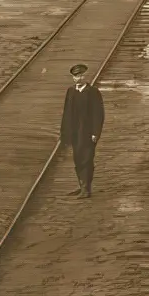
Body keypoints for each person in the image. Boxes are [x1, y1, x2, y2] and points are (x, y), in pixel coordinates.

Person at [59, 63, 105, 199]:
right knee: (78, 159)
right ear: (73, 78)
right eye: (76, 76)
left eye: (81, 75)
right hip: (75, 133)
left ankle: (86, 188)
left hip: (87, 132)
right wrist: (64, 133)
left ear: (85, 76)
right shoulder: (71, 91)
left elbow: (98, 114)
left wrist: (95, 133)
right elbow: (66, 113)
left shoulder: (93, 92)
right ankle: (81, 186)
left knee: (87, 158)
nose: (79, 78)